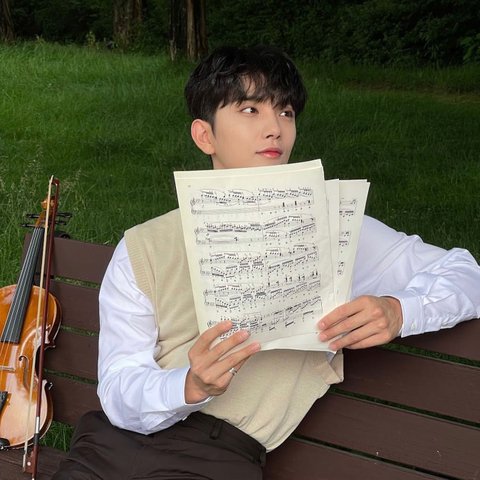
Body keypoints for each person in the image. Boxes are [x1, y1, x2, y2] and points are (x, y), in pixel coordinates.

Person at [53, 45, 480, 479]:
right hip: (108, 447)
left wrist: (400, 310)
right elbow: (119, 385)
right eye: (250, 110)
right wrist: (189, 384)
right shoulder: (143, 245)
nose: (274, 128)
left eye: (286, 112)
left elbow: (468, 274)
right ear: (205, 136)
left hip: (214, 458)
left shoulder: (337, 227)